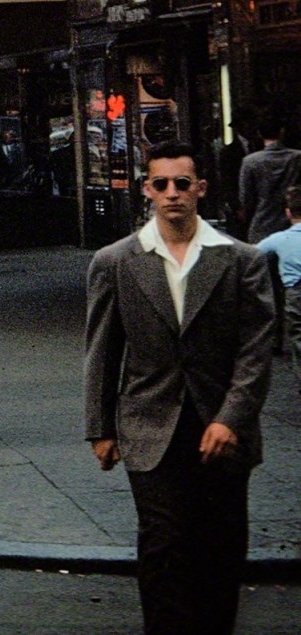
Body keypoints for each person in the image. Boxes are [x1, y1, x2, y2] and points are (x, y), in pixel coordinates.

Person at [84, 142, 278, 635]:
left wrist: (230, 418)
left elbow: (255, 351)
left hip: (220, 427)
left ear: (201, 190)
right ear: (147, 190)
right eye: (162, 184)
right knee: (163, 544)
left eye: (183, 184)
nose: (173, 194)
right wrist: (101, 428)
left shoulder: (241, 260)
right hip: (150, 422)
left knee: (221, 546)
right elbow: (102, 351)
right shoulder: (116, 261)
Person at [235, 116, 300, 242]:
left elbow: (245, 198)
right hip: (291, 222)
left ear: (259, 134)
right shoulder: (297, 158)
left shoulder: (250, 161)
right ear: (282, 132)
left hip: (262, 224)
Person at [257, 185, 301, 364]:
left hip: (296, 291)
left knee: (298, 334)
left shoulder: (280, 238)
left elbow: (254, 252)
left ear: (288, 213)